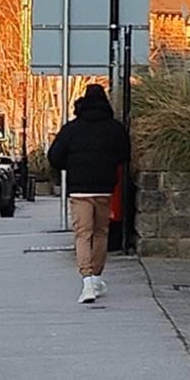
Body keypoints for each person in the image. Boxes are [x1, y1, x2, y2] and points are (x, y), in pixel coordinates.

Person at [48, 84, 131, 305]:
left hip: (79, 189)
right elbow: (125, 154)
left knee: (83, 234)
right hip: (104, 188)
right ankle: (96, 276)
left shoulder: (72, 129)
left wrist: (71, 166)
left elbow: (54, 156)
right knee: (101, 233)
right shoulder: (115, 128)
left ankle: (86, 281)